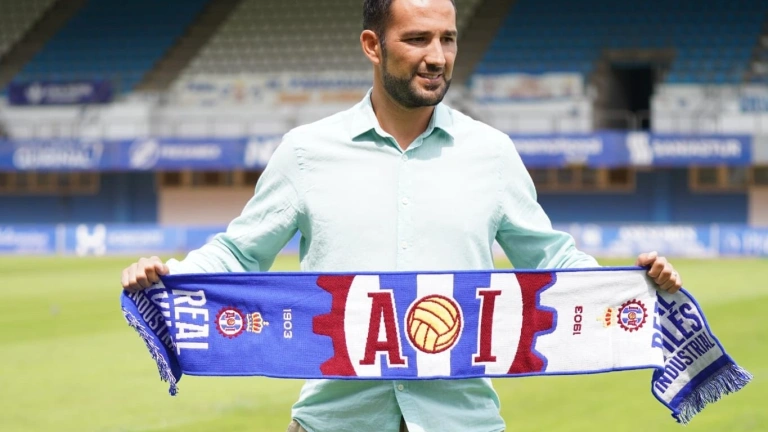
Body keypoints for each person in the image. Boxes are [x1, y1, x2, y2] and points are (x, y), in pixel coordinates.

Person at [121, 0, 683, 430]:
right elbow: (240, 252)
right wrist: (173, 277)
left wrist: (629, 286)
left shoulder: (491, 153)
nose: (437, 57)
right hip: (335, 422)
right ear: (372, 45)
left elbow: (552, 259)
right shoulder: (305, 152)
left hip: (461, 421)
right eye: (417, 39)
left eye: (448, 39)